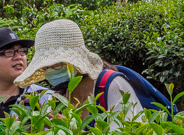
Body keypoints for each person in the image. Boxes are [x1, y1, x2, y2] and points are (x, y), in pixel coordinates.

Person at [14, 19, 142, 127]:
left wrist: (69, 129)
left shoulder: (112, 85)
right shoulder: (58, 97)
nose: (50, 68)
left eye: (56, 63)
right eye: (45, 66)